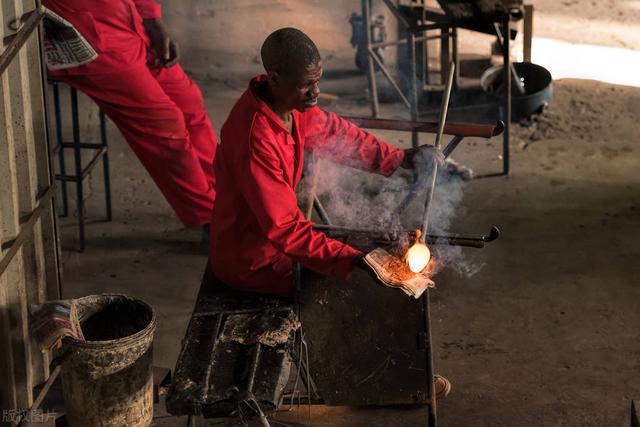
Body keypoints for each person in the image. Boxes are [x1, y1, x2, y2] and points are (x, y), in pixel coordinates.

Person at [209, 27, 445, 295]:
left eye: (318, 81)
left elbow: (337, 135)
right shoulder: (254, 140)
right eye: (307, 85)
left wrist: (399, 157)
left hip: (276, 247)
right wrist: (354, 260)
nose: (316, 92)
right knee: (355, 293)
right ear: (274, 79)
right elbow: (286, 230)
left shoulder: (289, 105)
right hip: (255, 264)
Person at [43, 0, 217, 230]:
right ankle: (211, 221)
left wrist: (152, 19)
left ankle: (228, 200)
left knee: (188, 101)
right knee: (164, 124)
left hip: (129, 23)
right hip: (92, 40)